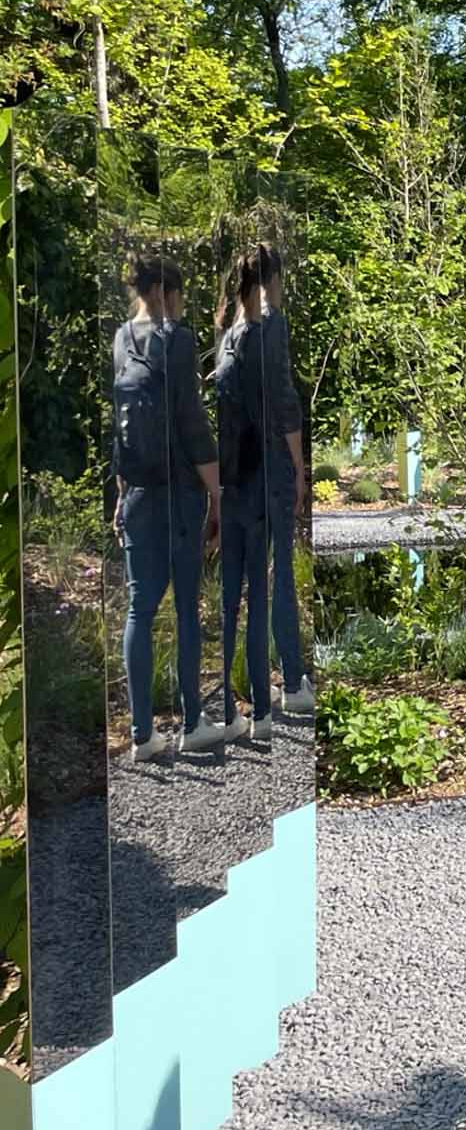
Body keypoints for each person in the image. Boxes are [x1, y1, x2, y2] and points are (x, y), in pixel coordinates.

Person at [113, 255, 227, 759]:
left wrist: (121, 494)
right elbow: (191, 424)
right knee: (185, 607)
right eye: (178, 295)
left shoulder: (120, 339)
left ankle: (142, 735)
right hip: (180, 492)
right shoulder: (177, 340)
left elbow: (121, 425)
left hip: (136, 490)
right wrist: (218, 492)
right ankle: (193, 722)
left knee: (140, 608)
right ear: (164, 291)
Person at [253, 246, 314, 714]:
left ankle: (257, 691)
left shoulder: (230, 324)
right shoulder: (273, 323)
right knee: (282, 578)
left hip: (237, 465)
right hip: (272, 459)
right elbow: (284, 396)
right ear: (273, 278)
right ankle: (292, 681)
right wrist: (298, 467)